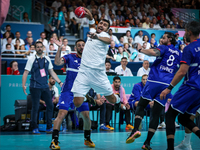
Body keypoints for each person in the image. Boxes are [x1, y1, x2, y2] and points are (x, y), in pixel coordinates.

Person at [126, 32, 181, 150]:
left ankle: (135, 130)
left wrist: (141, 49)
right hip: (166, 86)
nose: (161, 39)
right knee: (155, 114)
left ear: (170, 39)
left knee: (141, 106)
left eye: (164, 37)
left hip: (154, 81)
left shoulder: (164, 47)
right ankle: (147, 143)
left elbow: (153, 52)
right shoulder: (179, 53)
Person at [71, 8, 122, 129]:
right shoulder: (94, 30)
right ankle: (87, 97)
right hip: (84, 71)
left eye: (105, 25)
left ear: (107, 29)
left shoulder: (105, 36)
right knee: (77, 102)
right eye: (101, 23)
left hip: (98, 73)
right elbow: (92, 23)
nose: (101, 25)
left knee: (112, 99)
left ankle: (119, 101)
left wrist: (97, 37)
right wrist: (89, 15)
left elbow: (108, 40)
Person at [50, 39, 104, 149]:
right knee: (61, 114)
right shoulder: (70, 57)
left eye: (83, 45)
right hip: (68, 91)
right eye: (79, 45)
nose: (81, 47)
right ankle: (54, 141)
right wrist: (60, 48)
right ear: (75, 48)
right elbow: (57, 63)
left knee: (86, 116)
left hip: (81, 93)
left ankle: (87, 139)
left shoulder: (89, 61)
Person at [160, 21, 200, 150]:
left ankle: (170, 148)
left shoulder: (190, 48)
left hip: (191, 87)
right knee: (183, 118)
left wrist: (169, 88)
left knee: (170, 115)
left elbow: (182, 72)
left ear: (189, 32)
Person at [22, 41, 63, 134]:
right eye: (37, 47)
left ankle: (49, 127)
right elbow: (25, 72)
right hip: (35, 86)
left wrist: (60, 82)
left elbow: (52, 72)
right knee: (35, 107)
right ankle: (34, 127)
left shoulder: (47, 59)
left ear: (43, 48)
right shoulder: (31, 59)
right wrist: (23, 85)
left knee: (50, 105)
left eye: (41, 47)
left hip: (45, 86)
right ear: (35, 48)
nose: (39, 48)